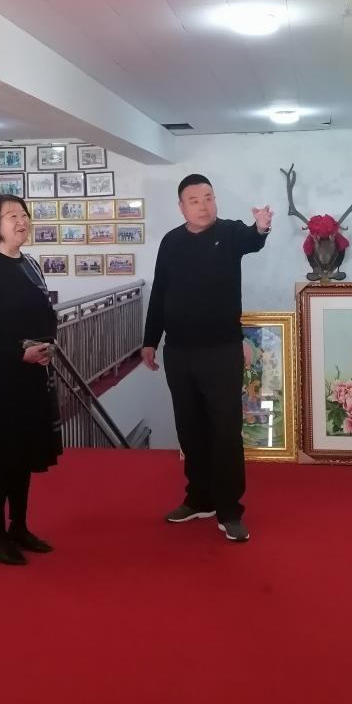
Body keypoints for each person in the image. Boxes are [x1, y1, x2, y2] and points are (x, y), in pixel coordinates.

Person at [142, 174, 272, 543]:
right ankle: (199, 499)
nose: (204, 206)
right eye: (195, 200)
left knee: (225, 432)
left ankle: (230, 510)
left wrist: (261, 227)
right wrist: (150, 341)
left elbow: (252, 239)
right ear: (181, 206)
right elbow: (160, 292)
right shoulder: (171, 242)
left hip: (221, 351)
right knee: (190, 429)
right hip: (179, 352)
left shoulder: (229, 233)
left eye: (209, 198)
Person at [0, 194, 62, 566]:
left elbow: (42, 312)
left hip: (31, 375)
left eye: (24, 214)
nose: (22, 221)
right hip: (0, 378)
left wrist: (47, 344)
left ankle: (19, 526)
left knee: (23, 455)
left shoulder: (28, 263)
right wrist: (18, 352)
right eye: (11, 216)